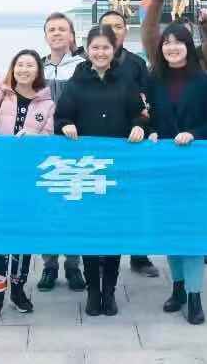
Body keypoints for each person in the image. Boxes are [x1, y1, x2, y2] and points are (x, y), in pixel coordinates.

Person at [55, 26, 147, 316]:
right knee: (90, 231)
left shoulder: (126, 80)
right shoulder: (76, 82)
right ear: (87, 49)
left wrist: (139, 126)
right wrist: (65, 126)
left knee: (114, 231)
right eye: (95, 47)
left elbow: (140, 113)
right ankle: (93, 290)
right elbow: (61, 116)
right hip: (88, 171)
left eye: (105, 47)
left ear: (113, 49)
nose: (100, 52)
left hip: (118, 170)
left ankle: (110, 290)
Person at [143, 22, 207, 325]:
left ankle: (194, 295)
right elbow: (146, 116)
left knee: (193, 230)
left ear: (188, 46)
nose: (172, 47)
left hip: (195, 168)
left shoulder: (203, 82)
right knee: (171, 229)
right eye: (167, 42)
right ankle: (177, 288)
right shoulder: (153, 80)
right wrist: (149, 130)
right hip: (163, 168)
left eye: (178, 42)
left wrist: (194, 134)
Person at [0, 50, 56, 323]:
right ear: (13, 68)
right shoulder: (0, 94)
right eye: (20, 64)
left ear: (38, 71)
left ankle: (18, 290)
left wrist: (36, 137)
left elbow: (51, 139)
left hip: (29, 180)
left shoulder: (47, 103)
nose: (24, 69)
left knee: (23, 235)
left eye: (30, 65)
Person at [95, 9, 159, 278]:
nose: (113, 31)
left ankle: (138, 255)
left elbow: (146, 103)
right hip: (98, 142)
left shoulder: (136, 64)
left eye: (118, 26)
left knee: (134, 200)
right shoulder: (88, 61)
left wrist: (143, 127)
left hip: (131, 142)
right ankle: (100, 253)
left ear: (126, 30)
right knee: (101, 201)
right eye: (107, 26)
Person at [38, 12, 87, 292]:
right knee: (47, 208)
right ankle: (49, 265)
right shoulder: (37, 67)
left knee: (74, 207)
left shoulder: (83, 67)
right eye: (51, 29)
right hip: (45, 148)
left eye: (62, 29)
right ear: (45, 36)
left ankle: (73, 264)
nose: (56, 33)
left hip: (75, 147)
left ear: (71, 35)